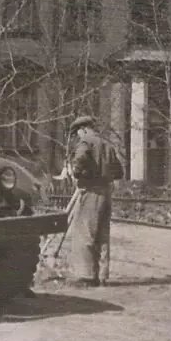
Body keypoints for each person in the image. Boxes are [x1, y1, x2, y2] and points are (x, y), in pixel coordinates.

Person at [65, 115, 124, 287]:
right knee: (103, 235)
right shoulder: (107, 144)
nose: (79, 135)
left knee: (85, 233)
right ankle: (103, 276)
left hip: (91, 191)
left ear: (82, 129)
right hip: (106, 192)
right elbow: (119, 172)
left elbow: (80, 159)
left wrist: (79, 173)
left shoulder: (86, 142)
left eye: (78, 132)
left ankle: (86, 276)